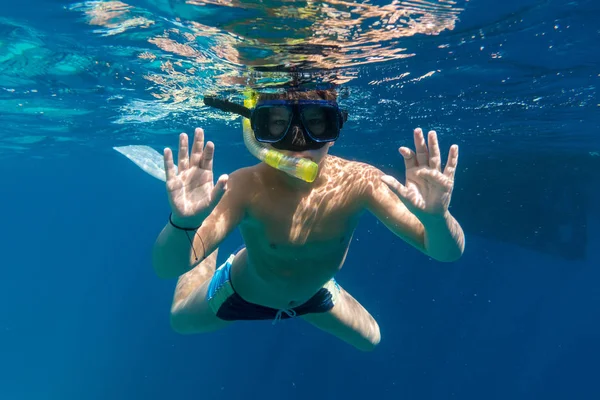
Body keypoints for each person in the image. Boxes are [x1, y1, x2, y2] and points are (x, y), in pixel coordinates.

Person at [151, 87, 465, 352]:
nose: (299, 143)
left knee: (373, 340)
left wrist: (437, 219)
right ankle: (208, 251)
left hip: (313, 293)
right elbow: (167, 268)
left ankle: (208, 240)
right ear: (259, 134)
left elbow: (446, 252)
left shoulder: (361, 181)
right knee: (179, 318)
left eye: (317, 123)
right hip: (241, 292)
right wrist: (184, 222)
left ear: (336, 128)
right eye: (278, 125)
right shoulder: (244, 187)